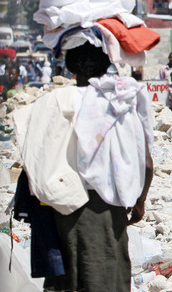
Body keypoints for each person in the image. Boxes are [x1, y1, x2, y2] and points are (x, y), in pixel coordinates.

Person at [13, 41, 154, 291]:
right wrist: (140, 201)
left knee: (64, 281)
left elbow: (33, 157)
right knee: (105, 277)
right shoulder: (118, 101)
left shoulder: (53, 102)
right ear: (106, 65)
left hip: (58, 207)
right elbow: (146, 162)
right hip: (106, 208)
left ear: (70, 69)